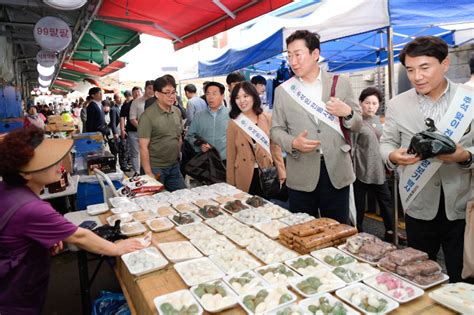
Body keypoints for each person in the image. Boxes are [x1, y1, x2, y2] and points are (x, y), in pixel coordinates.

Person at [0, 127, 143, 314]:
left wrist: (45, 236)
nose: (58, 164)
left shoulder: (7, 188)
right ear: (26, 173)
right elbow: (79, 237)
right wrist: (116, 248)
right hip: (12, 297)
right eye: (48, 161)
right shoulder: (32, 208)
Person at [380, 36, 473, 283]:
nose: (417, 76)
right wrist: (391, 155)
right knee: (417, 273)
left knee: (463, 274)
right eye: (410, 70)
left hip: (462, 203)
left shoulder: (469, 100)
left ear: (445, 64)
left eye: (424, 67)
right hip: (417, 201)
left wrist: (465, 156)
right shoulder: (397, 104)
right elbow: (386, 142)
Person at [271, 30, 362, 224]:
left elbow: (358, 124)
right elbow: (275, 131)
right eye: (289, 55)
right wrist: (293, 142)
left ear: (315, 54)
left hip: (336, 171)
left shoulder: (341, 83)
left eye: (297, 54)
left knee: (338, 231)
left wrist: (348, 112)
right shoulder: (283, 91)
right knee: (303, 231)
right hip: (301, 173)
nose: (292, 61)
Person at [352, 87, 406, 243]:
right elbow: (352, 147)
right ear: (360, 103)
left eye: (374, 103)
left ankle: (391, 231)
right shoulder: (356, 122)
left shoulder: (380, 121)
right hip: (360, 170)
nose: (371, 106)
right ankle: (358, 231)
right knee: (359, 205)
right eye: (367, 103)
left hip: (379, 171)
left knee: (386, 202)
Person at [227, 81, 286, 195]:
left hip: (266, 172)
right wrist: (230, 182)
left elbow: (275, 147)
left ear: (254, 96)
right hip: (243, 174)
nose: (242, 101)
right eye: (237, 97)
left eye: (245, 96)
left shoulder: (267, 118)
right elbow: (231, 155)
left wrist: (281, 172)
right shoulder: (234, 123)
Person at [138, 76, 186, 191]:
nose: (171, 96)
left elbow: (178, 137)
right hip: (155, 168)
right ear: (157, 94)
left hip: (174, 166)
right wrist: (148, 172)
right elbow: (143, 146)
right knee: (156, 204)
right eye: (167, 93)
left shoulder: (177, 111)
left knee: (183, 197)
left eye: (173, 92)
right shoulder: (147, 116)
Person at [186, 81, 229, 164]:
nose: (210, 97)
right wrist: (199, 146)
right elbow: (189, 136)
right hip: (205, 161)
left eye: (214, 94)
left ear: (222, 96)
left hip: (226, 161)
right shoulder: (199, 116)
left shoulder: (231, 115)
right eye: (208, 94)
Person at [130, 81, 154, 173]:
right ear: (145, 88)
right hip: (141, 133)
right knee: (141, 154)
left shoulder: (158, 101)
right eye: (149, 88)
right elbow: (132, 118)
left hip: (155, 133)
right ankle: (139, 173)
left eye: (153, 88)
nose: (151, 90)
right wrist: (142, 129)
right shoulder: (136, 102)